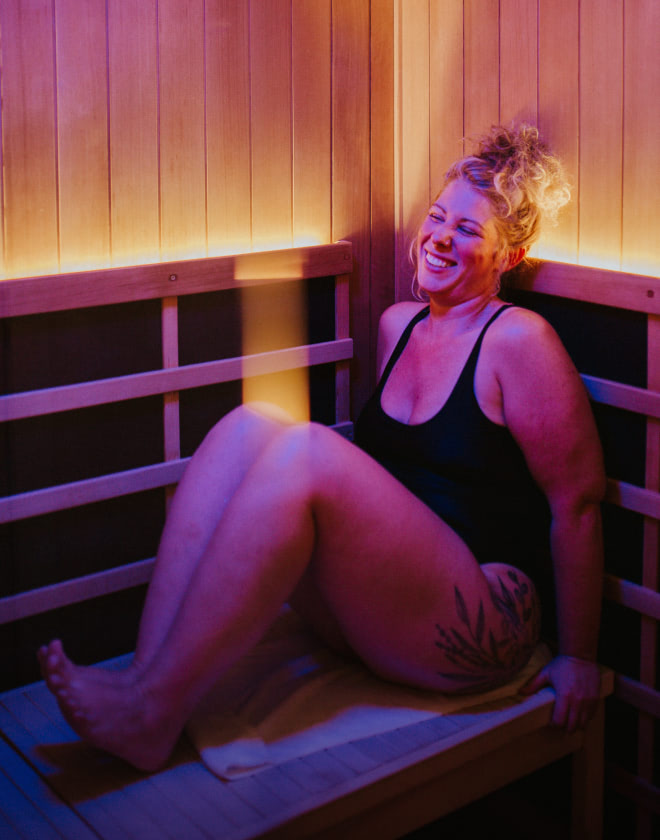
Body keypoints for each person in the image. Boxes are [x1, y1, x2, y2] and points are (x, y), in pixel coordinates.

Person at [39, 124, 606, 772]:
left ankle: (150, 711)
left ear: (511, 254)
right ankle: (148, 680)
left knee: (306, 450)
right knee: (250, 424)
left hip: (480, 618)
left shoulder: (519, 341)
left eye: (471, 231)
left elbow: (578, 505)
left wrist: (579, 656)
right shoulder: (400, 323)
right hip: (385, 609)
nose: (442, 238)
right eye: (438, 216)